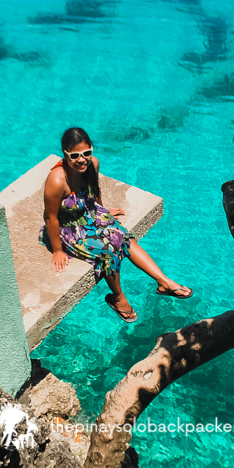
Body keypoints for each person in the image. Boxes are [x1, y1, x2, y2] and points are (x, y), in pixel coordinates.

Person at [39, 127, 193, 323]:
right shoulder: (57, 180)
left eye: (86, 153)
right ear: (65, 155)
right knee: (108, 251)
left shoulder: (92, 164)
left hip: (89, 212)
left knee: (123, 237)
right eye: (75, 155)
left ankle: (163, 282)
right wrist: (58, 251)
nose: (82, 159)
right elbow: (51, 218)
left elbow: (94, 189)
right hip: (68, 227)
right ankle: (118, 299)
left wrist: (102, 212)